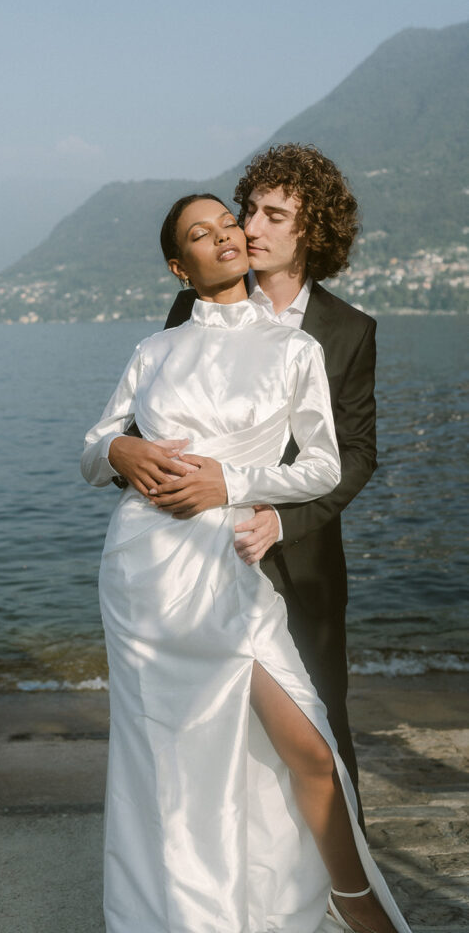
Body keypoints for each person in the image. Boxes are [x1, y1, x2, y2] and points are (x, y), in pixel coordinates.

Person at [82, 194, 408, 932]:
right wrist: (116, 450)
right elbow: (93, 448)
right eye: (202, 233)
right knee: (176, 765)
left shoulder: (298, 350)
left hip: (229, 565)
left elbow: (327, 464)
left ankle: (355, 907)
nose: (226, 236)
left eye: (229, 224)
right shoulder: (154, 350)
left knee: (310, 748)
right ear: (178, 265)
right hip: (145, 574)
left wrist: (232, 481)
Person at [111, 144, 375, 827]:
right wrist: (127, 455)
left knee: (321, 729)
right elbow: (150, 430)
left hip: (300, 560)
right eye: (247, 209)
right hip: (195, 563)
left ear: (310, 232)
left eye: (273, 214)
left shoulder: (347, 332)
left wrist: (280, 521)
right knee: (202, 727)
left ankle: (347, 894)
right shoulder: (188, 307)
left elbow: (356, 456)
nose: (249, 227)